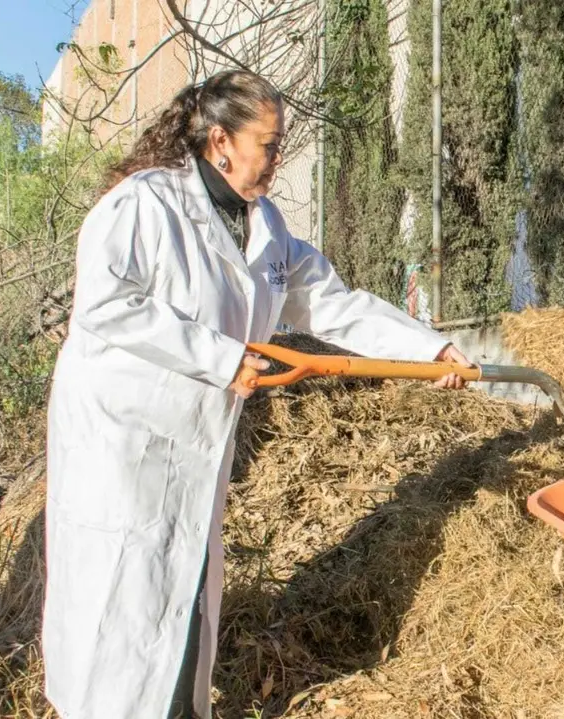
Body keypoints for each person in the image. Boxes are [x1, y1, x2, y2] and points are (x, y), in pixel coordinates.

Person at [41, 69, 472, 718]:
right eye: (268, 145)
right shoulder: (144, 205)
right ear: (220, 142)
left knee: (180, 606)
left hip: (195, 452)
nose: (277, 158)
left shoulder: (265, 226)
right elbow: (104, 308)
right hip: (121, 450)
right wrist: (220, 356)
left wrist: (428, 347)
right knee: (119, 621)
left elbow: (334, 304)